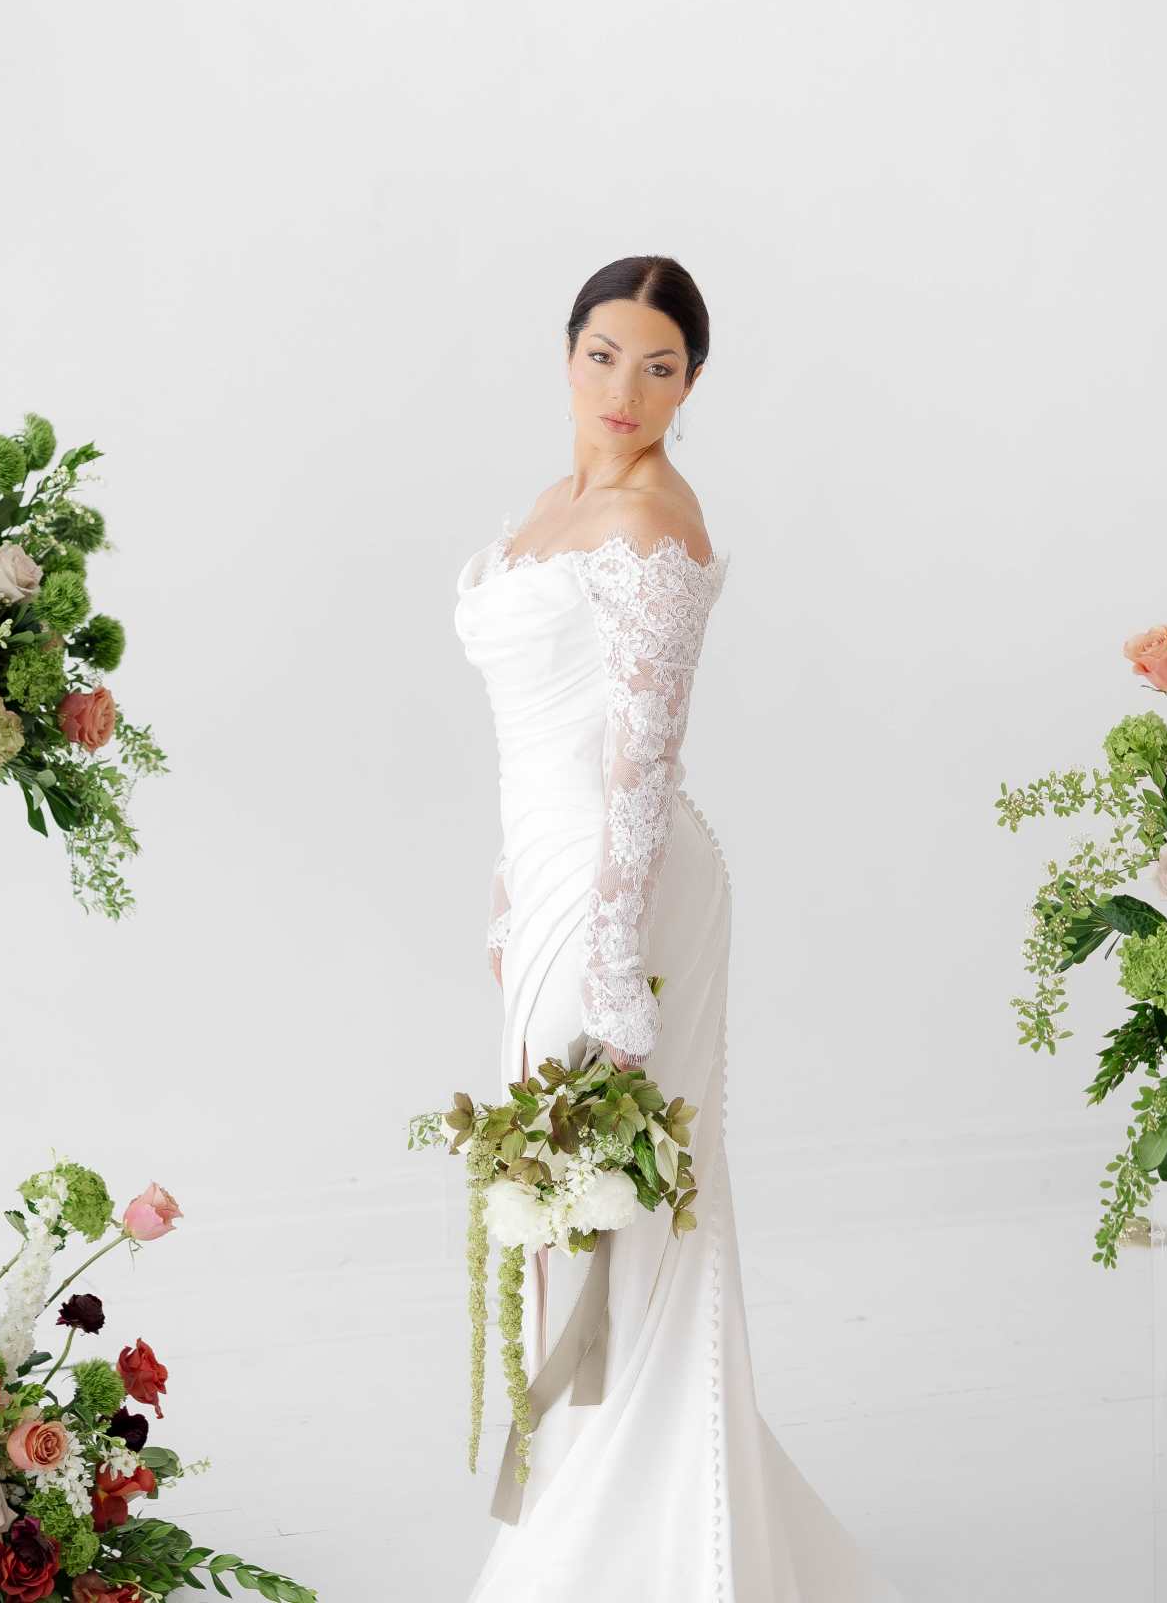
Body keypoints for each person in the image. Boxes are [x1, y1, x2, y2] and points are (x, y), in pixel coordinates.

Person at [453, 257, 903, 1600]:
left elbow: (640, 763)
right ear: (568, 352)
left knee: (624, 1210)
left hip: (631, 897)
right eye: (603, 355)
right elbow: (536, 736)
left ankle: (643, 1543)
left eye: (658, 367)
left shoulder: (655, 521)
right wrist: (507, 887)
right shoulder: (554, 504)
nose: (624, 389)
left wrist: (609, 965)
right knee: (558, 1208)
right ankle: (589, 1506)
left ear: (691, 382)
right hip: (546, 883)